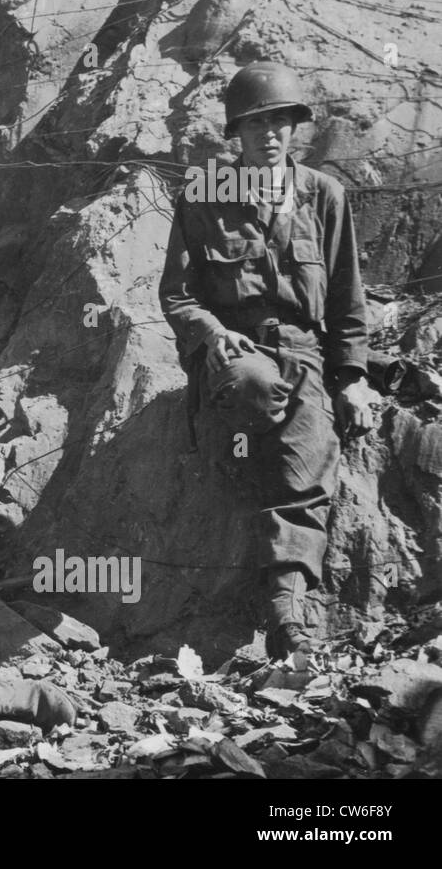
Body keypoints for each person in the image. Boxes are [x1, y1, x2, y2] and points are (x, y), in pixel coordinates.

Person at [159, 60, 376, 659]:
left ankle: (287, 607)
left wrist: (352, 376)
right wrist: (208, 333)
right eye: (257, 123)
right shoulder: (205, 194)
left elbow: (346, 296)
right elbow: (177, 293)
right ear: (237, 132)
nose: (270, 133)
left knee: (308, 451)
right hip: (238, 348)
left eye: (281, 120)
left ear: (296, 127)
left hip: (305, 350)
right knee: (255, 390)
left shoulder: (324, 195)